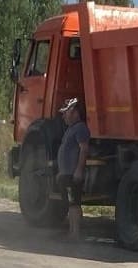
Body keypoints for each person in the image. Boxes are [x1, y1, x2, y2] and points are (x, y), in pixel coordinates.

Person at [56, 98, 90, 240]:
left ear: (74, 112)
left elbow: (84, 149)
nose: (63, 116)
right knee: (70, 203)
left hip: (72, 174)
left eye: (66, 113)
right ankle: (71, 231)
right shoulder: (71, 129)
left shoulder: (81, 128)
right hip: (66, 173)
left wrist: (78, 170)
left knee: (74, 203)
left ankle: (75, 233)